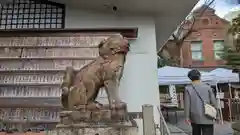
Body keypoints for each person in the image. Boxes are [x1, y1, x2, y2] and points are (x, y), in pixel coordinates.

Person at [184, 69, 218, 135]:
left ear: (190, 78)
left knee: (196, 132)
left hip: (194, 116)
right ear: (199, 76)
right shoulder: (208, 87)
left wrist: (187, 117)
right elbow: (214, 102)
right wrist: (217, 115)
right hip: (208, 114)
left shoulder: (188, 88)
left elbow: (187, 104)